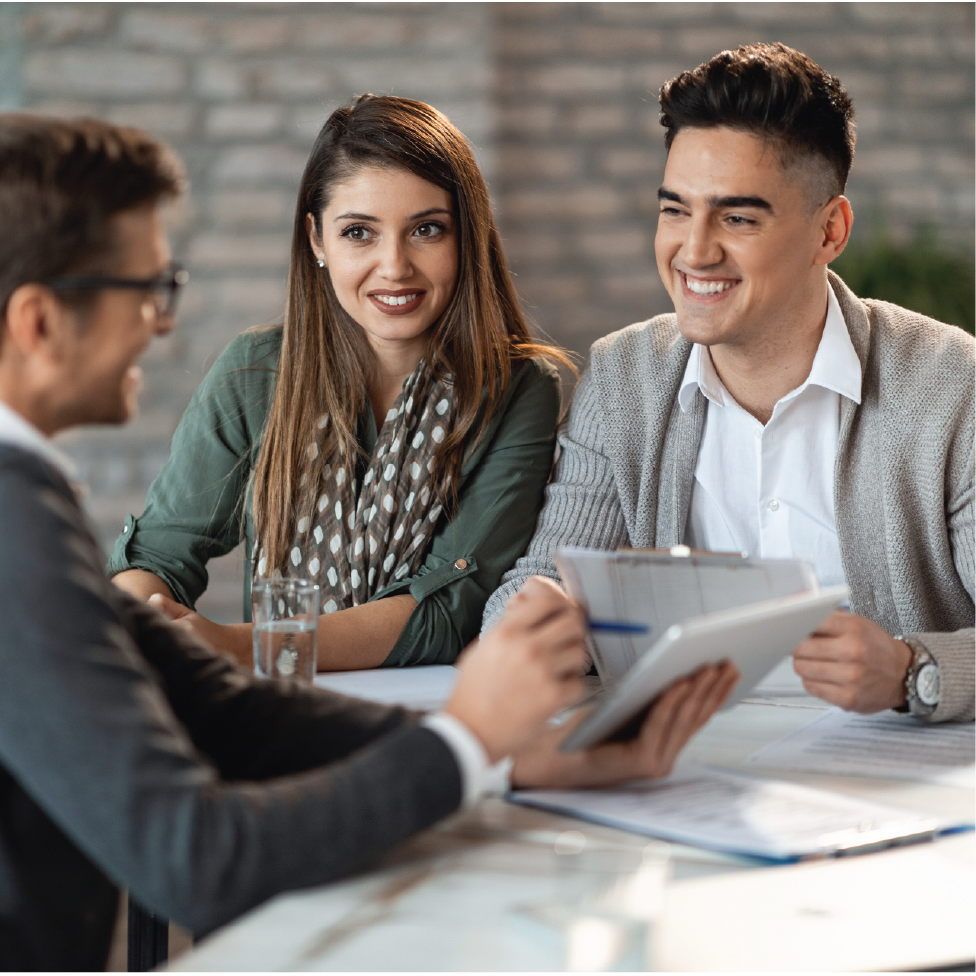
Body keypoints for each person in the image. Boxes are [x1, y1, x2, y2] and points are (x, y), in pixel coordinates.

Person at [0, 114, 738, 973]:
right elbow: (197, 858)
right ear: (41, 323)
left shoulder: (30, 511)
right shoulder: (20, 530)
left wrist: (518, 756)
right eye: (147, 290)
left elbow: (232, 706)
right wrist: (466, 739)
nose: (162, 323)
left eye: (427, 229)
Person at [485, 41, 976, 724]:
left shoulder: (953, 389)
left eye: (737, 217)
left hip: (894, 790)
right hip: (681, 772)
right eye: (675, 209)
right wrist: (537, 621)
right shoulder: (623, 378)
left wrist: (911, 673)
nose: (694, 250)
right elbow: (541, 580)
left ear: (829, 231)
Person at [109, 94, 569, 671]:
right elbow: (159, 554)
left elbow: (447, 613)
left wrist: (236, 645)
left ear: (466, 237)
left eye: (426, 229)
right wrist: (145, 624)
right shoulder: (257, 372)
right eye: (359, 233)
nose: (395, 265)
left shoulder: (518, 389)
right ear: (317, 239)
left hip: (433, 715)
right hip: (285, 711)